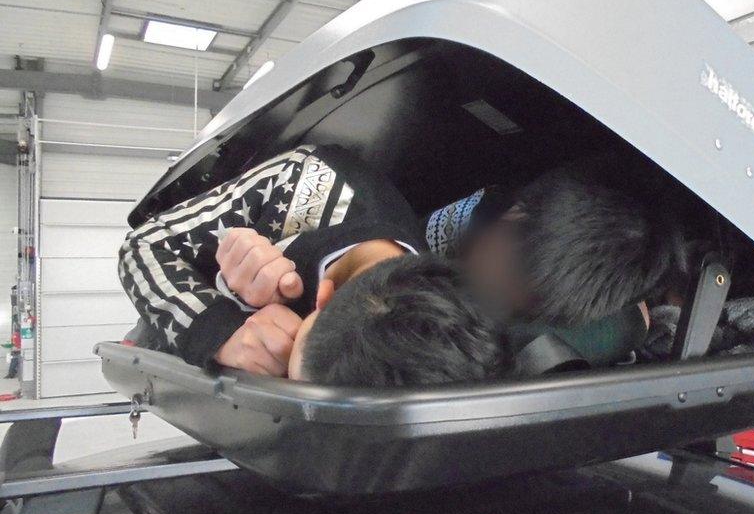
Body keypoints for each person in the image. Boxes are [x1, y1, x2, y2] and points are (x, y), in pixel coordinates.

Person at [119, 144, 505, 386]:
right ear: (323, 296)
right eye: (289, 363)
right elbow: (141, 245)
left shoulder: (444, 317)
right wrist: (217, 330)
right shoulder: (306, 181)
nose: (278, 364)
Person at [425, 168, 682, 366]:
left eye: (508, 296)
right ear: (515, 213)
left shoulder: (621, 324)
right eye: (501, 266)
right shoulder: (461, 222)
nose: (486, 287)